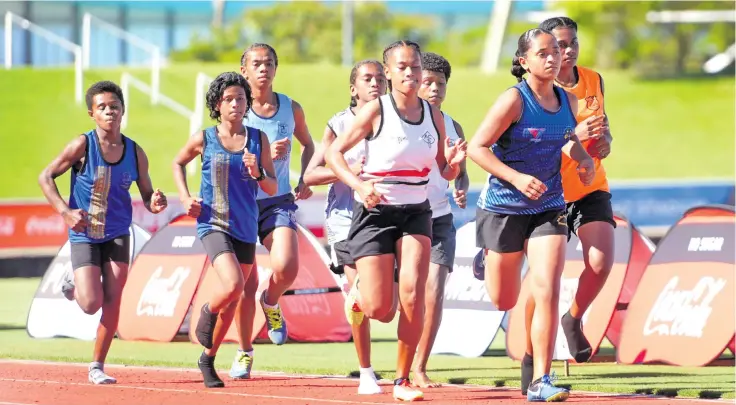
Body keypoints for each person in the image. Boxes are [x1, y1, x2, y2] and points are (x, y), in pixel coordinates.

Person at [326, 40, 467, 402]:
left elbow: (443, 170)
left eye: (415, 67)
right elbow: (333, 152)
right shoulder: (376, 111)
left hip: (418, 212)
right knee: (380, 310)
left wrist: (452, 162)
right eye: (403, 67)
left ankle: (402, 381)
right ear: (388, 72)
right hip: (375, 213)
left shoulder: (433, 116)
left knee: (413, 295)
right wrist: (359, 184)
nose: (411, 73)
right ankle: (359, 297)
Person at [466, 28, 595, 402]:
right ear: (524, 61)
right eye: (543, 53)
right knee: (503, 300)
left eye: (556, 50)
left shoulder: (568, 101)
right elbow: (477, 147)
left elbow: (567, 139)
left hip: (549, 205)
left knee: (548, 287)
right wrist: (517, 178)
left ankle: (541, 379)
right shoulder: (514, 100)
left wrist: (584, 159)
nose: (553, 58)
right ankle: (488, 256)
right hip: (504, 207)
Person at [40, 80, 168, 385]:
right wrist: (65, 212)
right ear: (92, 113)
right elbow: (46, 176)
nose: (109, 111)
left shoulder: (136, 153)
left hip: (118, 233)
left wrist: (155, 201)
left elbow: (148, 195)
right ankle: (72, 282)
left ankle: (97, 365)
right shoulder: (82, 145)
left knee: (114, 298)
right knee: (90, 304)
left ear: (123, 110)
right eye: (102, 107)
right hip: (85, 233)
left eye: (114, 106)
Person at [172, 72, 277, 388]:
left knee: (234, 299)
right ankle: (205, 310)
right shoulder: (204, 138)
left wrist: (257, 171)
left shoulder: (259, 140)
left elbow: (271, 187)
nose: (236, 103)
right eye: (229, 98)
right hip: (213, 222)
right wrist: (185, 197)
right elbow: (178, 163)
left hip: (245, 228)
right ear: (217, 104)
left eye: (241, 98)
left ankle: (207, 359)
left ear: (248, 104)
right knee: (232, 286)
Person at [227, 42, 317, 379]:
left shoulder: (290, 109)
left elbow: (309, 144)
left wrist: (305, 175)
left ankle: (272, 300)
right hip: (241, 203)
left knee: (287, 266)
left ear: (276, 69)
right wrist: (261, 155)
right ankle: (244, 352)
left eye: (269, 63)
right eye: (256, 63)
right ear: (244, 70)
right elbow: (219, 153)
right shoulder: (236, 110)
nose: (263, 69)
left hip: (277, 199)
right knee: (243, 286)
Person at [303, 59, 389, 395]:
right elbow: (310, 176)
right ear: (354, 88)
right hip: (346, 221)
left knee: (385, 304)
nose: (375, 83)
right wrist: (348, 170)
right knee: (363, 295)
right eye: (367, 79)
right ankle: (366, 371)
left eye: (380, 78)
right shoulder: (339, 123)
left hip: (387, 218)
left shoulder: (395, 120)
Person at [538, 16, 615, 368]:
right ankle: (535, 365)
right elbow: (534, 146)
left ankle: (573, 318)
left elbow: (603, 129)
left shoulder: (594, 79)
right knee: (543, 279)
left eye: (572, 43)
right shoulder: (537, 89)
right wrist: (578, 135)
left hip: (589, 186)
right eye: (558, 45)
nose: (566, 51)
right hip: (549, 191)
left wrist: (605, 142)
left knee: (599, 263)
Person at [413, 51, 470, 388]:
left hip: (440, 219)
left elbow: (462, 174)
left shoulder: (454, 125)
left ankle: (419, 366)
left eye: (441, 84)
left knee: (434, 291)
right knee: (395, 300)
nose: (434, 89)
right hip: (402, 218)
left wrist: (461, 187)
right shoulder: (400, 121)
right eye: (428, 82)